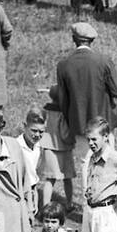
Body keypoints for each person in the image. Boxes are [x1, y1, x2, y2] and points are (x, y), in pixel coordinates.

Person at [55, 22, 117, 165]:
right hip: (104, 121)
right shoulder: (103, 61)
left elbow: (63, 101)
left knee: (86, 164)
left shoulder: (64, 64)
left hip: (80, 124)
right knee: (107, 162)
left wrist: (69, 121)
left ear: (74, 39)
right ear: (92, 40)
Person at [39, 84, 77, 212]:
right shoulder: (64, 112)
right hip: (64, 148)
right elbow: (65, 133)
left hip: (48, 147)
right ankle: (69, 203)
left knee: (50, 180)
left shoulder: (46, 111)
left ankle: (45, 205)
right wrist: (72, 140)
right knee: (67, 178)